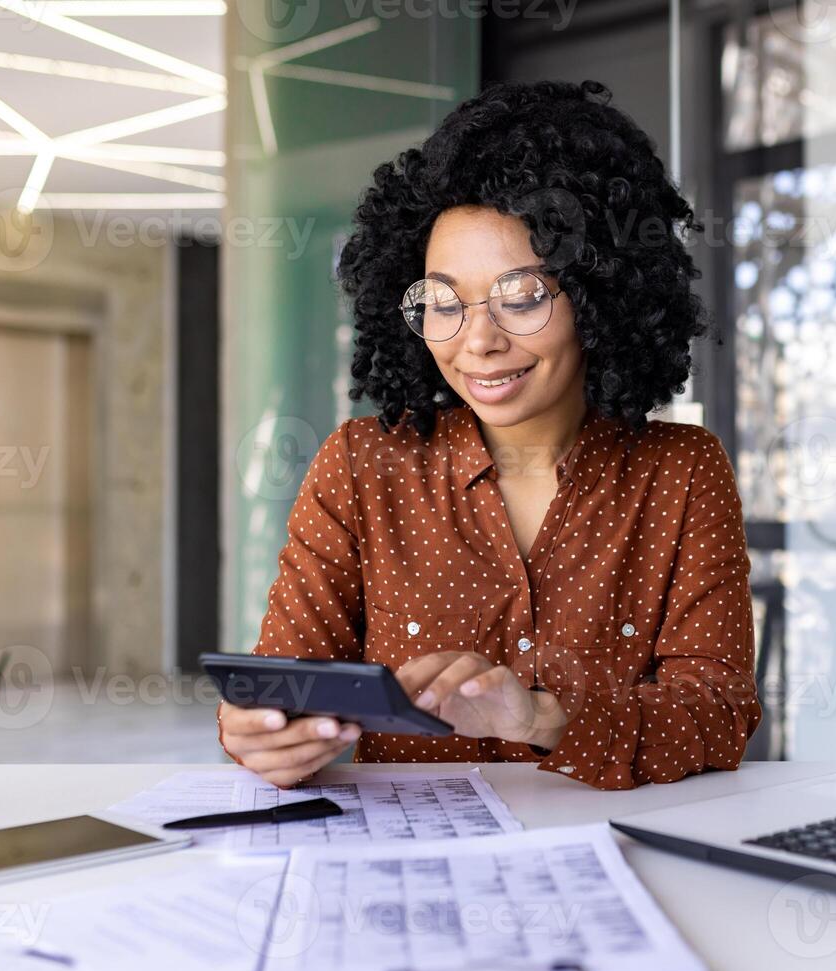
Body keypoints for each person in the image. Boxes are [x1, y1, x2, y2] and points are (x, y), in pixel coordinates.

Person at [218, 79, 761, 790]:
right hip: (408, 866)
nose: (477, 341)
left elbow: (717, 715)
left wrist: (539, 717)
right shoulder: (362, 467)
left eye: (524, 297)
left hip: (611, 854)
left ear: (600, 294)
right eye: (443, 302)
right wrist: (261, 730)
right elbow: (287, 682)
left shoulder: (681, 473)